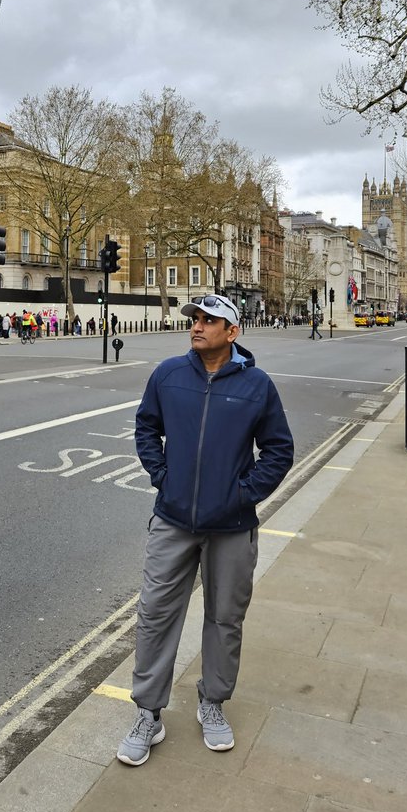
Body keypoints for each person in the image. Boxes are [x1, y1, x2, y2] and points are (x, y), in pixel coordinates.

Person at [118, 293, 294, 766]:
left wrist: (242, 494)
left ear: (232, 332)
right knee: (155, 614)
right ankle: (148, 714)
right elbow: (145, 429)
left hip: (232, 526)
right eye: (194, 319)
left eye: (209, 320)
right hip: (173, 520)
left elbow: (279, 450)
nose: (197, 326)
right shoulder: (169, 375)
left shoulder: (257, 385)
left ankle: (212, 702)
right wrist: (163, 477)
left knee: (224, 618)